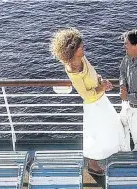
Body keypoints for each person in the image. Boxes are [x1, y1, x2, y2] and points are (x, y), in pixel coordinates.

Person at [50, 28, 127, 175]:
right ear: (72, 50)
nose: (83, 47)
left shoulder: (81, 58)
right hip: (94, 105)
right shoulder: (73, 69)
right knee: (97, 135)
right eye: (80, 47)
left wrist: (101, 80)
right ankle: (93, 165)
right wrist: (102, 87)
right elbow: (86, 95)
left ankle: (107, 156)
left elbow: (93, 72)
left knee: (112, 126)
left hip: (101, 100)